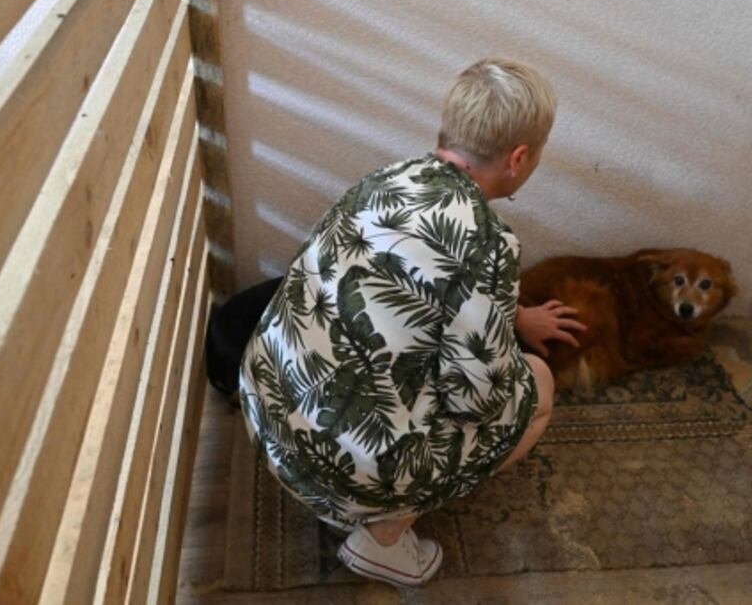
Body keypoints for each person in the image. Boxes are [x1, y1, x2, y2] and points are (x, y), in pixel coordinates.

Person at [238, 58, 586, 587]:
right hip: (344, 470)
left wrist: (509, 313)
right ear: (519, 158)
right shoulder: (488, 244)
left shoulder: (383, 180)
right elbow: (478, 401)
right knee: (536, 384)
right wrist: (509, 348)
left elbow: (420, 285)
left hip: (271, 418)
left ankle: (356, 504)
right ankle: (385, 535)